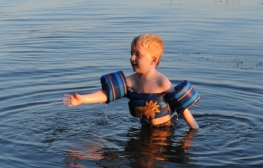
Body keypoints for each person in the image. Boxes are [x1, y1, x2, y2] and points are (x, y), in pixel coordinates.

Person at [62, 34, 199, 129]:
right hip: (144, 127)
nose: (132, 58)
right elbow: (107, 94)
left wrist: (194, 130)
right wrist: (81, 100)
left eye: (138, 55)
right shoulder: (131, 81)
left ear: (153, 60)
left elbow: (181, 108)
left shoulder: (162, 83)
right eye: (131, 53)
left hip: (164, 130)